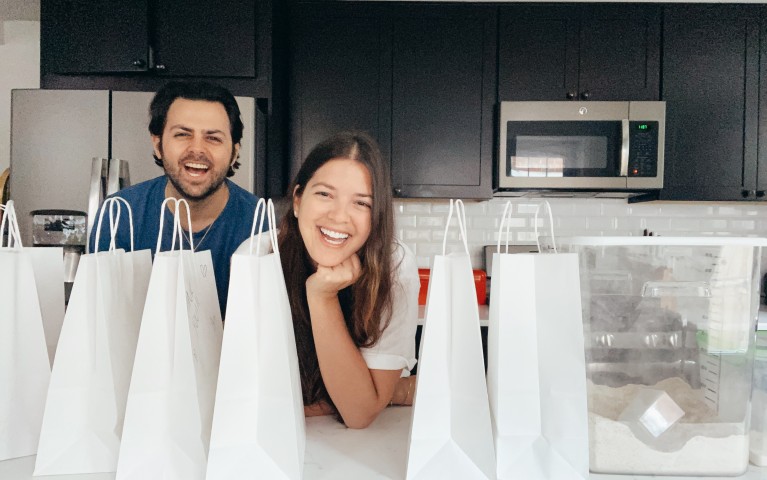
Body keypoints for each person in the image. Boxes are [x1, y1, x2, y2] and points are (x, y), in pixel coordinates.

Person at [277, 131, 419, 429]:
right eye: (325, 194)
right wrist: (393, 391)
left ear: (376, 216)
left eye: (362, 203)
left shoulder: (394, 266)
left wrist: (322, 296)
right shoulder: (259, 257)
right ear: (298, 201)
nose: (340, 217)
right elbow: (250, 396)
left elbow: (358, 413)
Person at [89, 81, 261, 317]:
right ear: (158, 144)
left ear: (234, 152)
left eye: (213, 138)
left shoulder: (261, 225)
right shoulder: (120, 215)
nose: (197, 149)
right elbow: (102, 320)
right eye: (182, 134)